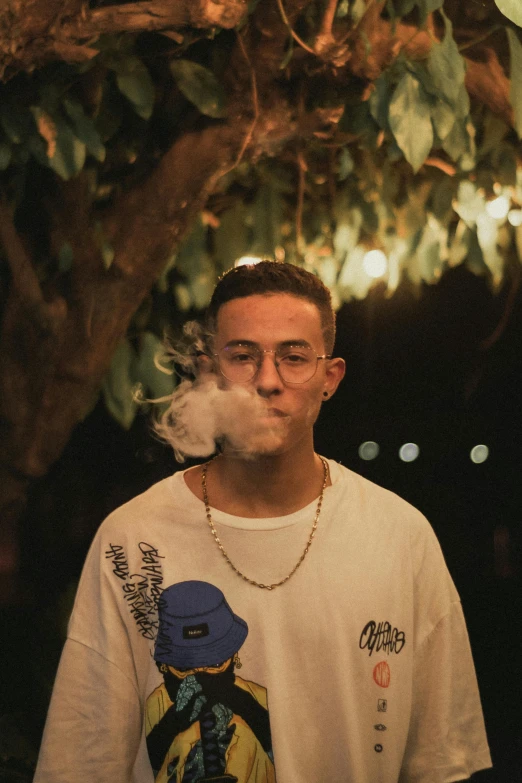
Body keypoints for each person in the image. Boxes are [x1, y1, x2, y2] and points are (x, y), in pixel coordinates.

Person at [35, 260, 492, 783]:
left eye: (294, 357)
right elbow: (83, 760)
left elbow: (439, 763)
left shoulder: (401, 537)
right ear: (209, 371)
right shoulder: (134, 538)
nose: (268, 381)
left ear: (330, 377)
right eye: (243, 356)